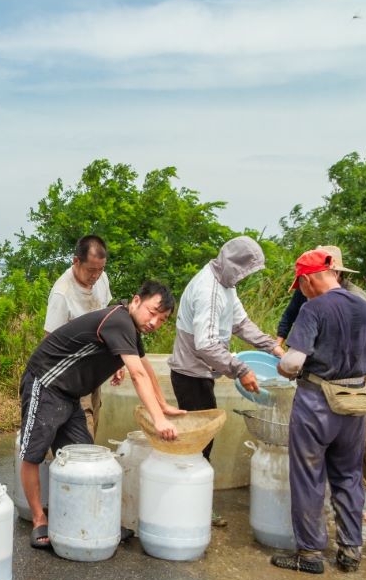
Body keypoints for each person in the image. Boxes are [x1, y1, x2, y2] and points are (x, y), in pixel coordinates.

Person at [19, 280, 183, 548]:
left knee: (84, 458)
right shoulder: (118, 320)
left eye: (162, 319)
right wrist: (158, 419)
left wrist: (163, 405)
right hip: (45, 383)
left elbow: (146, 367)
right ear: (136, 300)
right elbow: (138, 374)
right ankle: (39, 520)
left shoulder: (129, 327)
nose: (154, 322)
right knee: (32, 452)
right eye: (153, 312)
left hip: (70, 395)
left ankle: (96, 519)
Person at [271, 249, 366, 575]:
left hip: (317, 402)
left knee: (309, 475)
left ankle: (309, 554)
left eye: (300, 286)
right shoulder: (365, 308)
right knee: (349, 477)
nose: (301, 292)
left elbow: (293, 362)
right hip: (355, 402)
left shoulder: (313, 308)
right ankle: (350, 551)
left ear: (308, 280)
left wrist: (283, 366)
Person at [167, 236, 284, 527]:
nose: (245, 277)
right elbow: (206, 344)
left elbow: (241, 323)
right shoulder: (208, 289)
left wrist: (273, 347)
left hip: (202, 374)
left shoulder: (225, 286)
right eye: (245, 271)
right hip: (191, 375)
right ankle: (189, 509)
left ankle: (192, 505)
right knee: (198, 445)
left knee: (201, 443)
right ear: (233, 264)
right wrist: (241, 369)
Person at [43, 235, 115, 438]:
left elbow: (106, 319)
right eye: (91, 270)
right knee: (84, 424)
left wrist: (115, 360)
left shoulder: (102, 278)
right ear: (76, 261)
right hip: (72, 374)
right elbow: (49, 344)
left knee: (95, 415)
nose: (96, 276)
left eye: (100, 269)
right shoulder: (62, 293)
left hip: (95, 367)